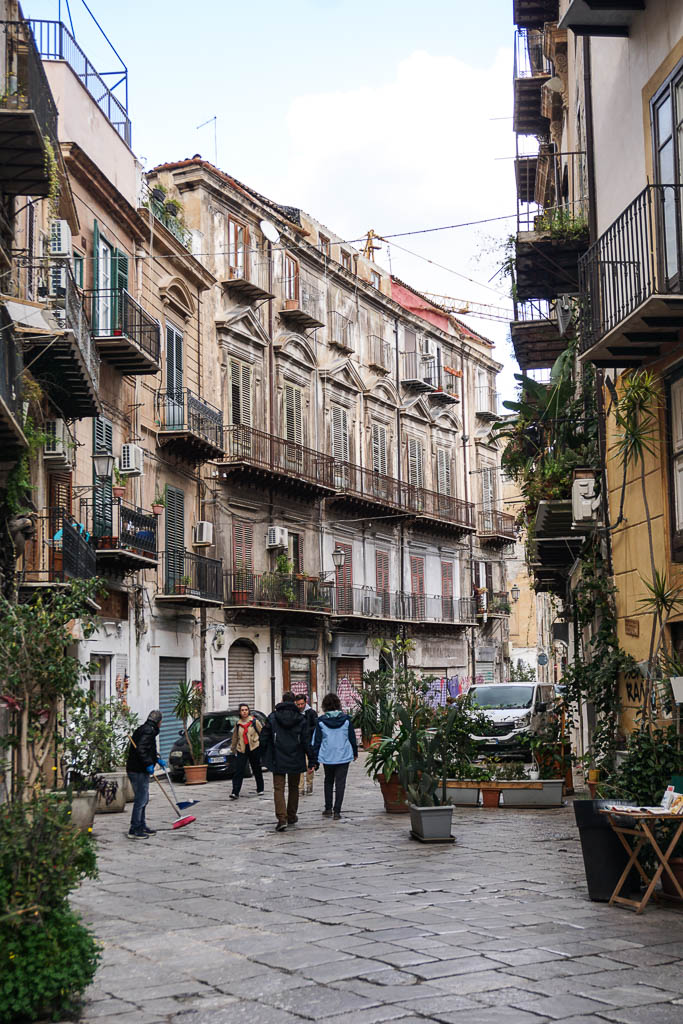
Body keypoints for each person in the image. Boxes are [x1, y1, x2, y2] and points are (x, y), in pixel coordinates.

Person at [259, 691, 317, 832]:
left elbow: (264, 737)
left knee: (278, 788)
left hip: (277, 757)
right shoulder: (301, 719)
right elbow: (306, 741)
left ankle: (281, 818)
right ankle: (291, 815)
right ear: (294, 702)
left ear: (282, 700)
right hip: (296, 756)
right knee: (293, 787)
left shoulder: (273, 717)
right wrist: (312, 760)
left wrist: (262, 755)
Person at [312, 692, 357, 820]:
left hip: (328, 755)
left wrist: (314, 758)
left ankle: (328, 808)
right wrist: (355, 752)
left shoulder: (321, 721)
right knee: (340, 783)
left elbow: (317, 741)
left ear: (324, 706)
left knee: (328, 781)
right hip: (343, 755)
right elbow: (352, 737)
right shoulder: (346, 720)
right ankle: (337, 811)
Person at [126, 709, 166, 840]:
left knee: (144, 798)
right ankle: (134, 828)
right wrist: (149, 764)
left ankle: (141, 825)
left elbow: (148, 749)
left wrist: (156, 760)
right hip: (138, 770)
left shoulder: (146, 729)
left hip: (138, 769)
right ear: (158, 721)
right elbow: (142, 749)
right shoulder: (149, 731)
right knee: (141, 799)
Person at [229, 703, 264, 799]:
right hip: (242, 748)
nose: (244, 712)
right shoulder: (238, 724)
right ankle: (235, 792)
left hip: (254, 747)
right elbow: (235, 737)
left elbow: (262, 733)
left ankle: (260, 788)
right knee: (239, 770)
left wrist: (262, 745)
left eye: (246, 710)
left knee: (256, 768)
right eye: (242, 710)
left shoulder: (254, 721)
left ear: (248, 711)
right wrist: (233, 748)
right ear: (240, 712)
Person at [294, 692, 318, 796]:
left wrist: (307, 731)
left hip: (309, 742)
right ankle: (300, 787)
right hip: (298, 743)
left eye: (302, 704)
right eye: (298, 704)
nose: (300, 706)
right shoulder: (295, 713)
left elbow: (316, 727)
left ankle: (309, 784)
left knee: (309, 764)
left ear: (305, 702)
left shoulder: (311, 713)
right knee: (299, 765)